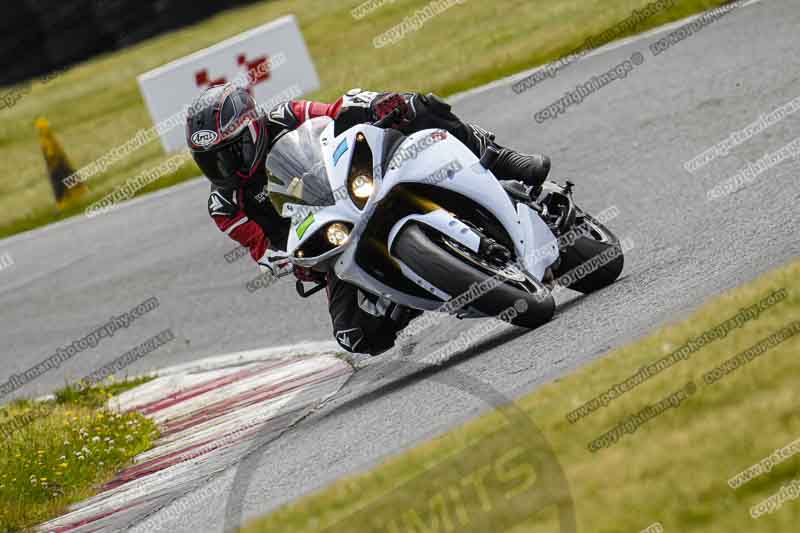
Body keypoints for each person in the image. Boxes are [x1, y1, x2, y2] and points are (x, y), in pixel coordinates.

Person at [186, 84, 551, 355]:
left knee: (418, 107)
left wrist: (377, 103)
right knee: (356, 338)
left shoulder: (285, 116)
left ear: (252, 129)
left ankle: (503, 158)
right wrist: (286, 262)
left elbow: (338, 110)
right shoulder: (225, 206)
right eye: (211, 160)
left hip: (358, 180)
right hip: (331, 237)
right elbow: (264, 247)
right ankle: (416, 288)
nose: (224, 167)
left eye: (231, 152)